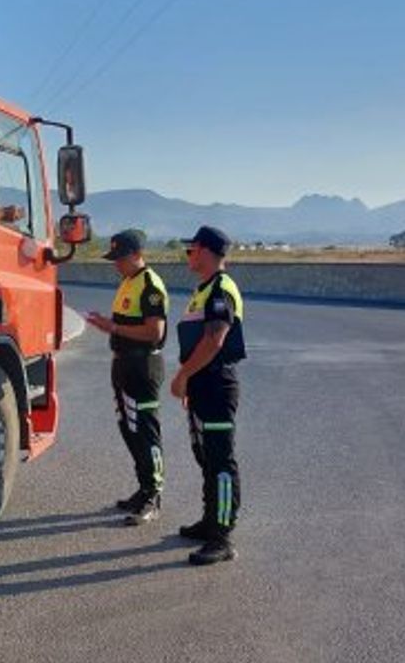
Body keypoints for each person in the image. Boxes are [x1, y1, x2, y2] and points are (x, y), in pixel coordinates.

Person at [169, 225, 246, 565]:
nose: (188, 255)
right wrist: (190, 381)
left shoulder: (220, 289)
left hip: (216, 385)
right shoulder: (204, 289)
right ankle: (210, 520)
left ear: (204, 251)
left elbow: (214, 340)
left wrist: (183, 375)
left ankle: (222, 537)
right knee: (206, 458)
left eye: (191, 250)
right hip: (202, 385)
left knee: (220, 462)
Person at [85, 230, 169, 525]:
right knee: (129, 429)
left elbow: (154, 332)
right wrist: (109, 327)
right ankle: (143, 487)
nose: (116, 264)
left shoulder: (150, 284)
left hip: (143, 367)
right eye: (114, 258)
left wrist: (114, 328)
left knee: (145, 431)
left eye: (120, 258)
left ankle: (153, 496)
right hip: (123, 365)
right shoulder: (128, 282)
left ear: (137, 254)